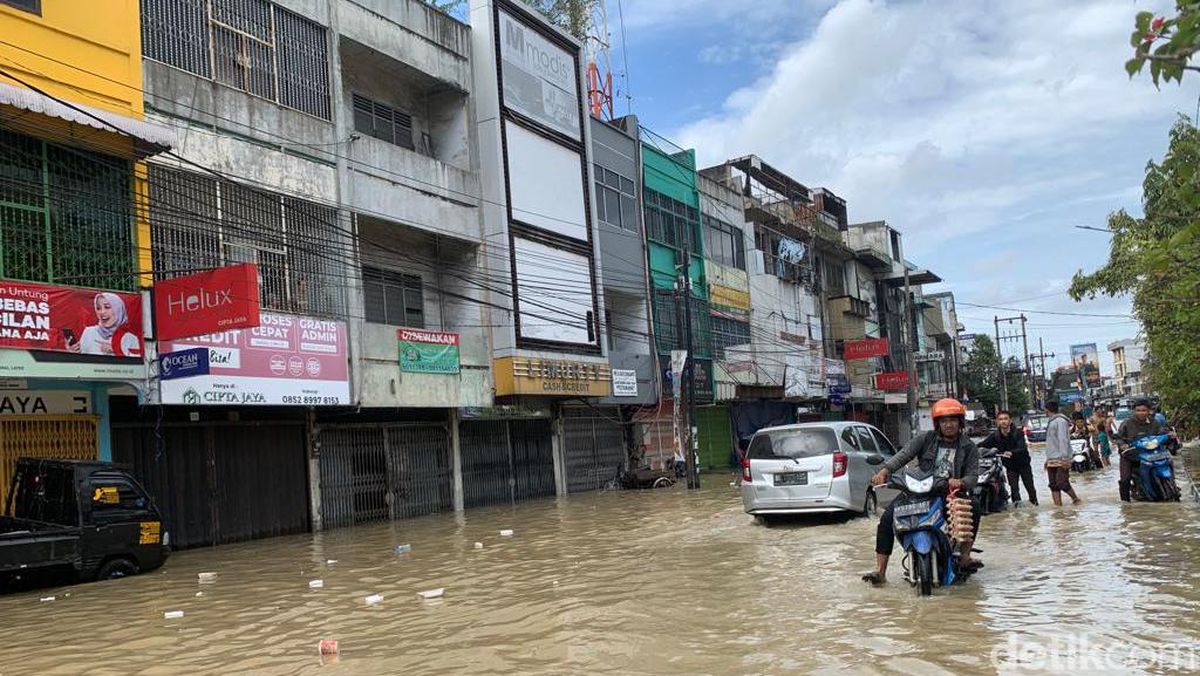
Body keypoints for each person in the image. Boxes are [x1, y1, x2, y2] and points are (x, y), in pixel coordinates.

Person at [862, 398, 980, 586]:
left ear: (960, 422)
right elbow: (903, 456)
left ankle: (965, 555)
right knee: (886, 519)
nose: (948, 424)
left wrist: (961, 482)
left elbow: (973, 475)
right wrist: (885, 471)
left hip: (949, 492)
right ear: (937, 424)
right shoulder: (925, 438)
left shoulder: (969, 447)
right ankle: (880, 571)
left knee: (974, 505)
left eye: (952, 420)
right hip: (919, 490)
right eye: (944, 421)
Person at [1113, 399, 1177, 502]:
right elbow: (1119, 437)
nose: (1141, 413)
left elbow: (1162, 432)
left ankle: (1172, 485)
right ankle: (1125, 503)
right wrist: (1123, 445)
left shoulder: (1154, 423)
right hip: (1131, 455)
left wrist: (1169, 435)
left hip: (1152, 455)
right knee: (1125, 479)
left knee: (1168, 462)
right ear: (1134, 411)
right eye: (1138, 410)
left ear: (1149, 411)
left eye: (1144, 410)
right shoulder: (1127, 423)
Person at [979, 409, 1037, 506]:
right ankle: (1017, 509)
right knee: (1014, 488)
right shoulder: (995, 436)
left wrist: (1011, 453)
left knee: (1029, 487)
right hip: (1010, 467)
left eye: (1006, 419)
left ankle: (1034, 505)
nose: (1003, 421)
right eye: (1000, 419)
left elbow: (1022, 447)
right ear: (997, 422)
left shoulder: (1018, 433)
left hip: (1023, 464)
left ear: (1010, 421)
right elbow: (983, 444)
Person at [66, 293, 141, 357]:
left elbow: (138, 366)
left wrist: (115, 351)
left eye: (107, 307)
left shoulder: (130, 338)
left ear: (118, 310)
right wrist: (73, 352)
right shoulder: (89, 332)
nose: (102, 312)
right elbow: (81, 361)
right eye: (98, 308)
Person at [1043, 401, 1081, 506]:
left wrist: (1065, 458)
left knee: (1062, 482)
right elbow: (1051, 442)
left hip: (1061, 458)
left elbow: (1063, 439)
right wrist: (1047, 459)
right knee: (1053, 484)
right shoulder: (1051, 421)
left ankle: (1076, 499)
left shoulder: (1060, 421)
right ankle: (1058, 507)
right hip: (1052, 458)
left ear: (1047, 409)